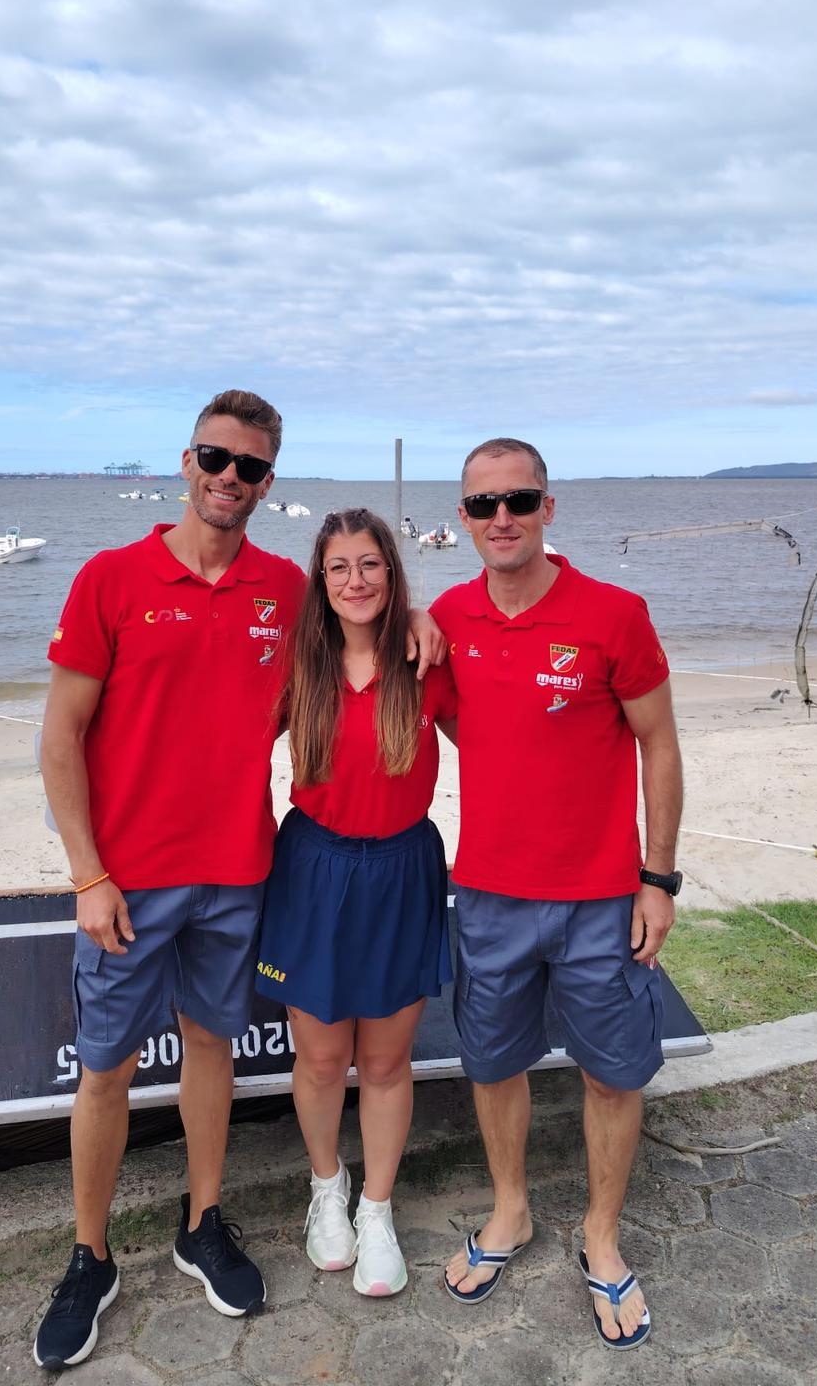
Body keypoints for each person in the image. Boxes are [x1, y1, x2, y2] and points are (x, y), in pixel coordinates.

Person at [33, 395, 444, 1371]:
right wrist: (87, 872)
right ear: (188, 461)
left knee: (211, 1046)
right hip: (126, 880)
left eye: (251, 467)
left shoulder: (283, 590)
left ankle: (202, 1222)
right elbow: (60, 740)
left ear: (267, 482)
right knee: (107, 1068)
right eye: (217, 457)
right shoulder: (112, 577)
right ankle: (89, 1255)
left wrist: (422, 616)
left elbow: (364, 623)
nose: (231, 476)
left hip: (237, 874)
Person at [432, 437, 682, 1351]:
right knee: (492, 1063)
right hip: (490, 895)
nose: (503, 518)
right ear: (462, 519)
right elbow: (455, 717)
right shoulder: (450, 616)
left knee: (613, 1071)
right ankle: (512, 1212)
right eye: (484, 505)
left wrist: (657, 878)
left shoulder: (615, 614)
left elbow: (659, 743)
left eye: (519, 500)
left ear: (548, 508)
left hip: (602, 898)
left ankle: (602, 1235)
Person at [255, 509, 457, 1298]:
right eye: (339, 568)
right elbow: (216, 738)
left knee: (383, 1060)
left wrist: (423, 614)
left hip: (404, 869)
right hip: (313, 868)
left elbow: (509, 737)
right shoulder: (298, 666)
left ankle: (378, 1208)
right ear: (321, 580)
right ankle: (326, 1190)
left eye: (369, 564)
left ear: (391, 571)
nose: (356, 581)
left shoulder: (425, 659)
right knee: (322, 1057)